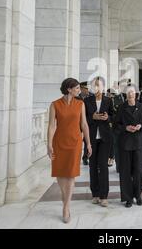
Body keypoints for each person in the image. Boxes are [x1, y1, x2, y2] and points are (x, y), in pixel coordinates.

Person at [48, 78, 92, 223]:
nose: (79, 90)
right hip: (59, 143)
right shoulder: (55, 105)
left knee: (71, 174)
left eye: (79, 88)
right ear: (69, 89)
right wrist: (49, 144)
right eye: (77, 88)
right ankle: (64, 194)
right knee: (60, 173)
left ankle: (66, 207)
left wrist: (89, 143)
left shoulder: (80, 104)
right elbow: (51, 126)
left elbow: (84, 124)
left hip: (75, 143)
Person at [114, 85, 142, 208]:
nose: (130, 94)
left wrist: (141, 126)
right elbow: (115, 125)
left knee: (139, 171)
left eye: (132, 92)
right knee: (125, 172)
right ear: (125, 94)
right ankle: (128, 198)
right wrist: (125, 128)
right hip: (125, 143)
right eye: (128, 92)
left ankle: (138, 195)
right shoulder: (121, 108)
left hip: (138, 142)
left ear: (136, 94)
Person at [84, 77, 114, 207]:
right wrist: (92, 117)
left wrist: (108, 118)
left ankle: (104, 196)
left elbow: (114, 116)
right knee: (92, 166)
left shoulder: (108, 100)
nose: (96, 87)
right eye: (94, 85)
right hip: (91, 138)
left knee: (103, 165)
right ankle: (95, 194)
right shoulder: (86, 101)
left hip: (105, 138)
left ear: (103, 86)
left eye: (99, 85)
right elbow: (83, 119)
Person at [107, 82, 125, 171]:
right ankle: (118, 164)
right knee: (116, 144)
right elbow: (111, 112)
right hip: (116, 125)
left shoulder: (127, 96)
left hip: (127, 126)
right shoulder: (113, 98)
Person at [79, 81, 93, 165]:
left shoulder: (92, 96)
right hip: (77, 122)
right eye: (86, 88)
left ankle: (85, 157)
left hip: (88, 122)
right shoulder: (76, 97)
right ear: (81, 88)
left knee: (87, 140)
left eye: (88, 88)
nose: (88, 90)